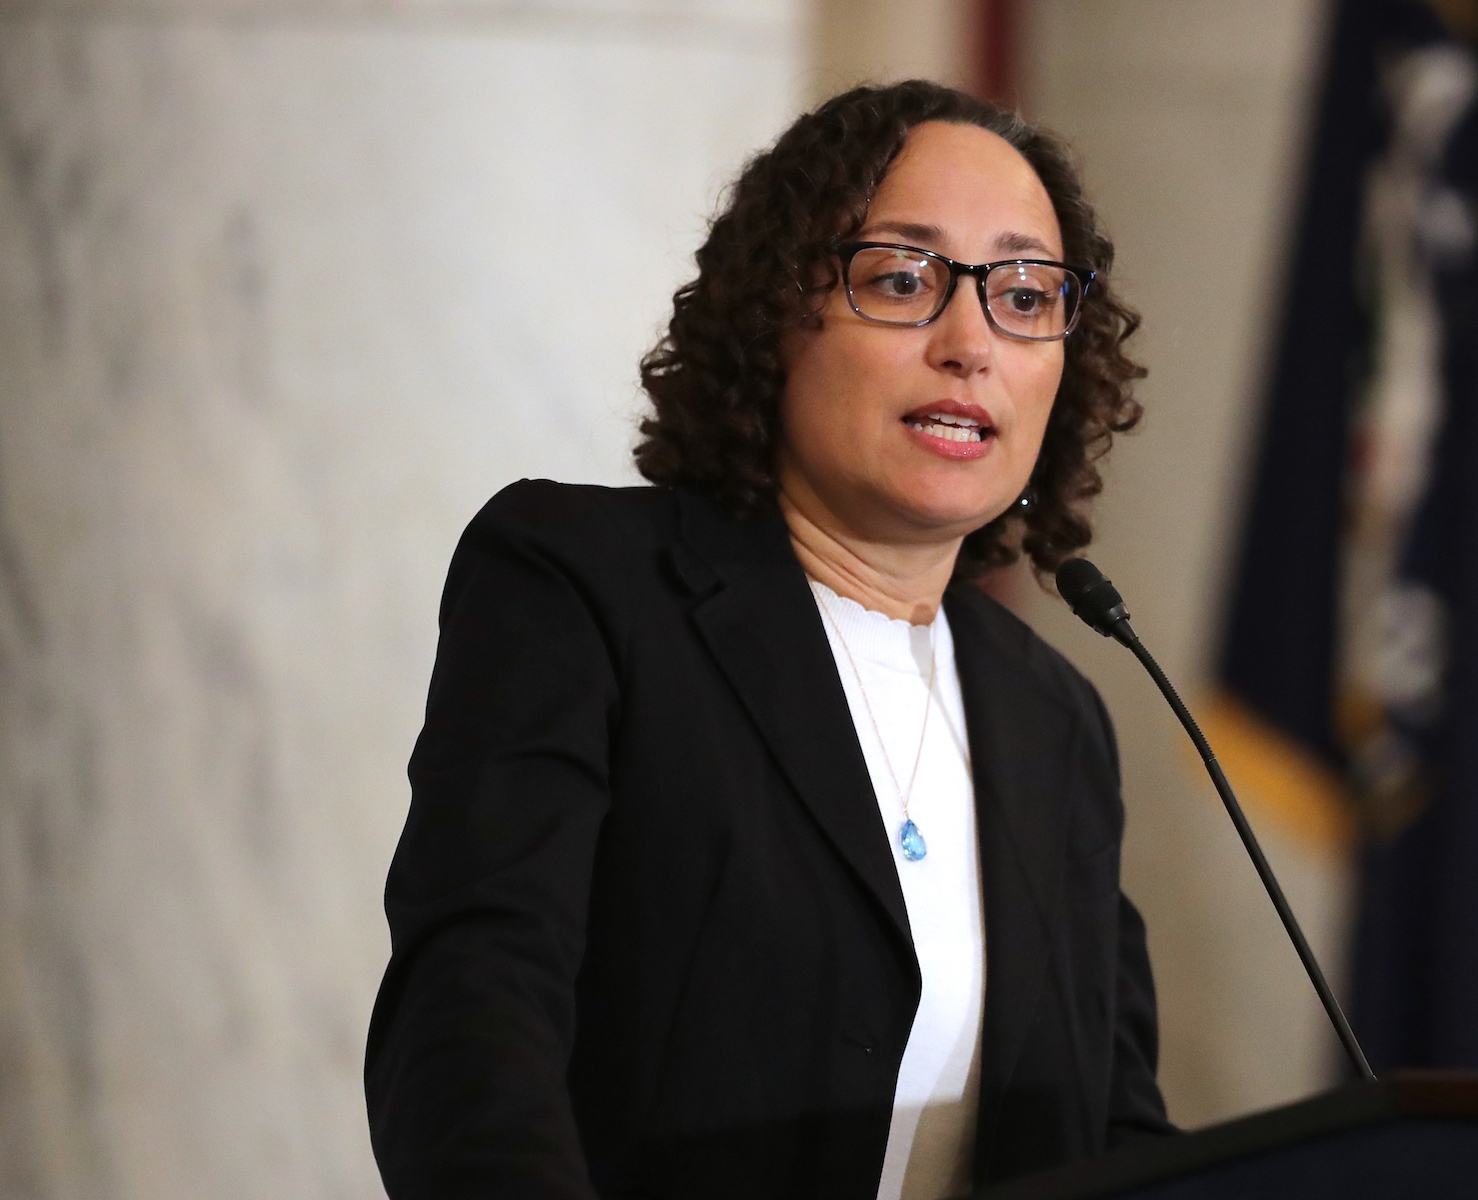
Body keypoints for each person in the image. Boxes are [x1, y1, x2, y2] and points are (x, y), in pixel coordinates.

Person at [363, 81, 1174, 1200]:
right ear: (774, 313)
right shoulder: (587, 588)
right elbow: (471, 1019)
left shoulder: (1055, 719)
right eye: (902, 278)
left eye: (1027, 296)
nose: (970, 342)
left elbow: (1119, 1134)